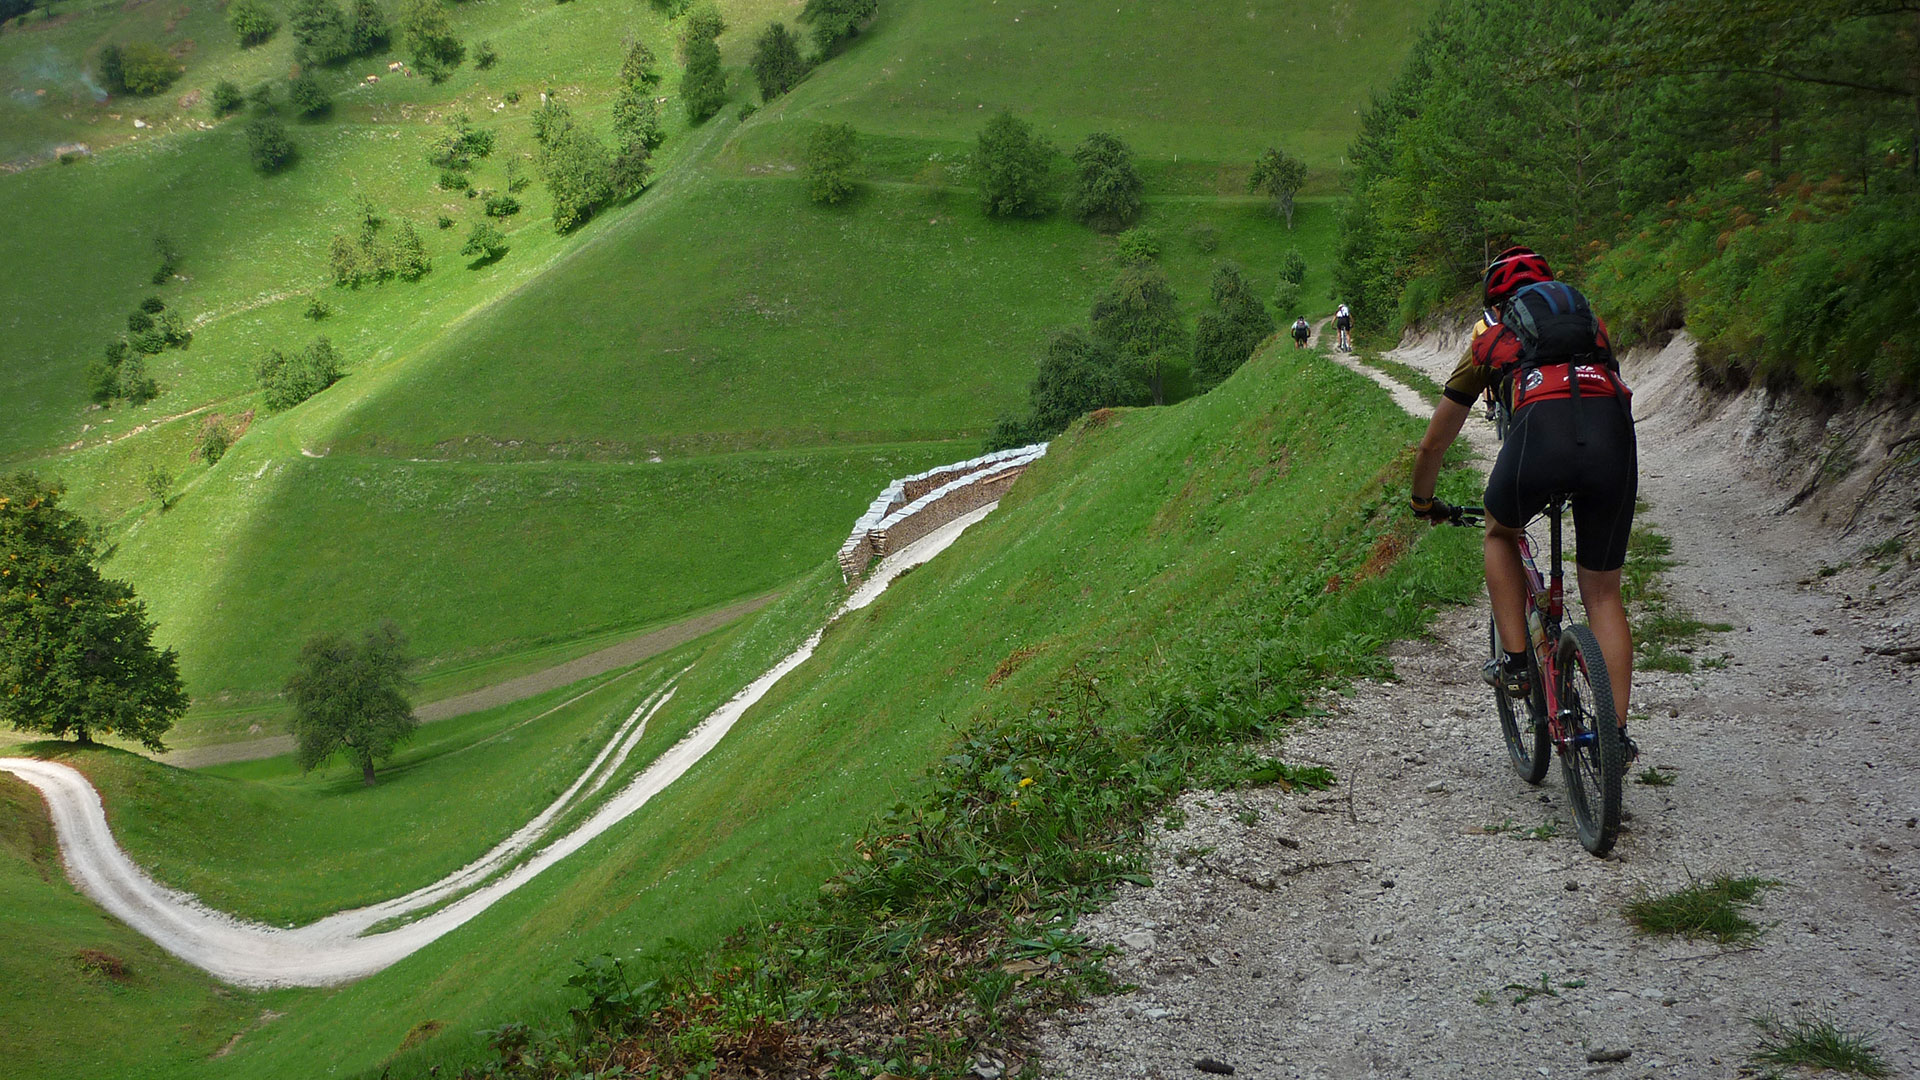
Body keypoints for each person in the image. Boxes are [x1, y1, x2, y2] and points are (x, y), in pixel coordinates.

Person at [1407, 246, 1639, 755]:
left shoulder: (1494, 339)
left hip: (1541, 438)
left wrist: (1422, 501)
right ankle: (1614, 737)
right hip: (1612, 437)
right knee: (1603, 594)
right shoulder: (1591, 329)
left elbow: (1435, 442)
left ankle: (1514, 664)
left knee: (1500, 530)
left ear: (1497, 302)